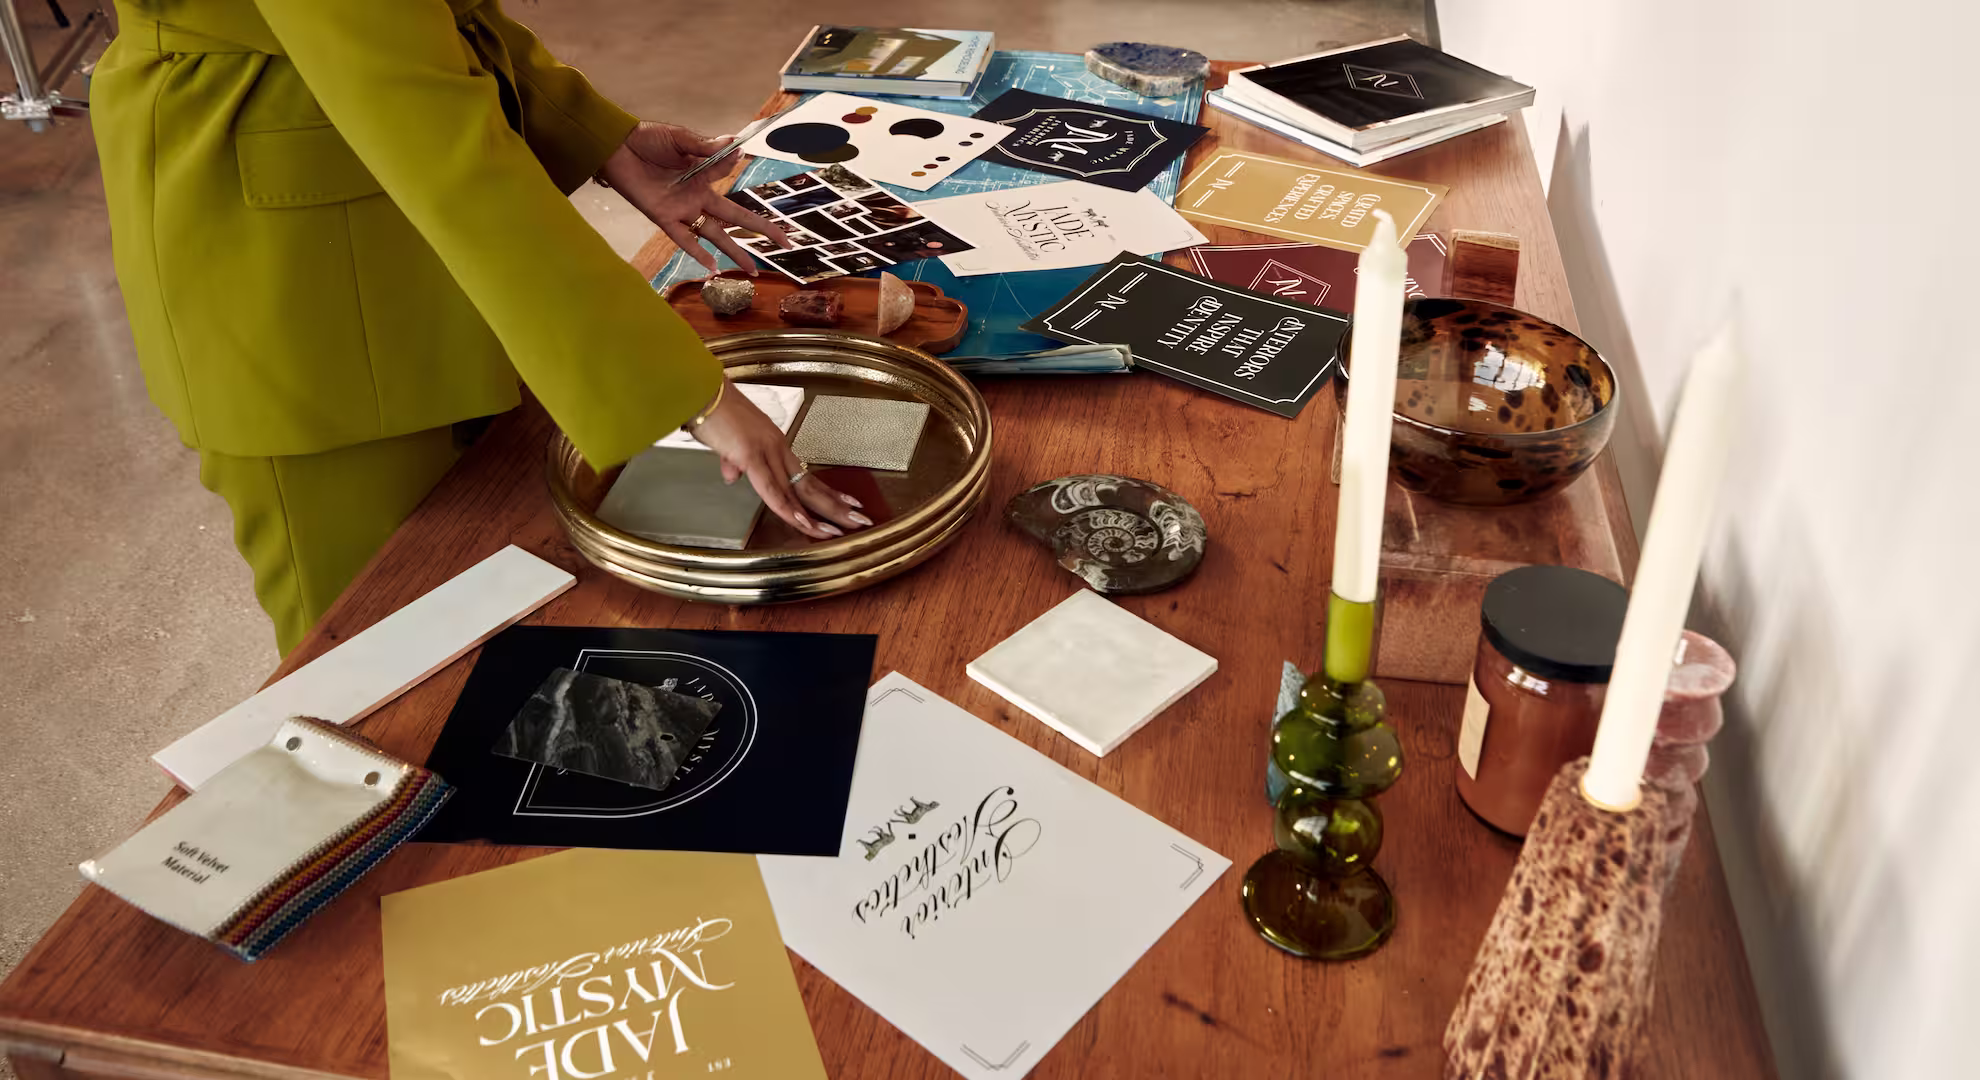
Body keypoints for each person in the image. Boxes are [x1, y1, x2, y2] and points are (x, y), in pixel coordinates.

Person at [89, 0, 869, 655]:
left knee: (485, 611)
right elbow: (421, 117)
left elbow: (430, 22)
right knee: (375, 652)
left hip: (418, 242)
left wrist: (596, 135)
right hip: (292, 285)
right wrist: (689, 393)